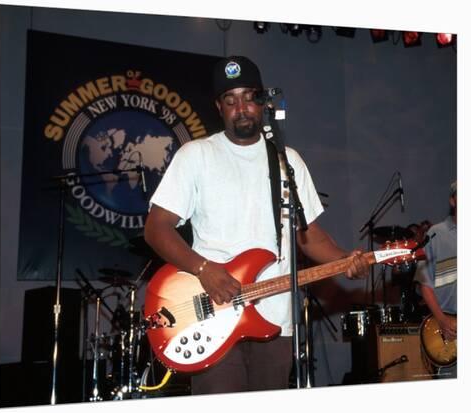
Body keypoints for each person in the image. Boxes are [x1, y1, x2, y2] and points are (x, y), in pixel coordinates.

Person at [144, 55, 370, 394]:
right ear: (218, 107)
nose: (242, 108)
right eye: (230, 100)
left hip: (276, 320)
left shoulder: (287, 161)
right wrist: (204, 269)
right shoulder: (196, 155)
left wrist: (344, 260)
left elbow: (308, 237)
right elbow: (156, 228)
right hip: (213, 314)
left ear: (262, 100)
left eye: (249, 96)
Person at [414, 181, 457, 377]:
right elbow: (425, 285)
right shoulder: (435, 235)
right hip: (448, 329)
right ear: (453, 200)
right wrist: (441, 320)